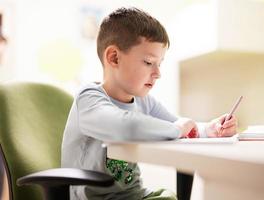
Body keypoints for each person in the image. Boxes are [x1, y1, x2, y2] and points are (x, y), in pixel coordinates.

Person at [61, 7, 237, 200]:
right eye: (148, 62)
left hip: (135, 196)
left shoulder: (144, 101)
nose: (158, 73)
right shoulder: (88, 98)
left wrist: (208, 130)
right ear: (114, 57)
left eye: (159, 63)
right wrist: (177, 129)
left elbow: (177, 124)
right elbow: (126, 126)